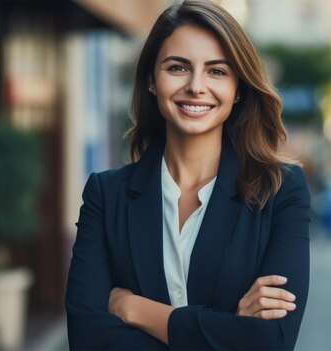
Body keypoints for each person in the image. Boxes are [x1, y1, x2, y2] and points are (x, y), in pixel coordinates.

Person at [65, 1, 311, 349]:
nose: (196, 86)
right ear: (152, 79)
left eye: (217, 71)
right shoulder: (106, 196)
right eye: (178, 67)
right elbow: (88, 338)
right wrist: (227, 331)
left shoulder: (281, 190)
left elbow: (270, 341)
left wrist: (133, 308)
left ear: (238, 88)